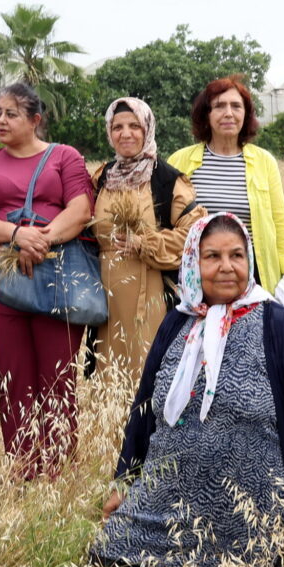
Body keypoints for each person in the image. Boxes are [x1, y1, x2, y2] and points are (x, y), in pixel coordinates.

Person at [91, 215, 284, 567]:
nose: (227, 267)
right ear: (192, 263)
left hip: (255, 506)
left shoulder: (281, 327)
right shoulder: (177, 323)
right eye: (212, 257)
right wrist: (123, 481)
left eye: (236, 255)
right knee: (108, 560)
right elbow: (145, 409)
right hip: (169, 496)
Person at [0, 81, 97, 481]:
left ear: (35, 120)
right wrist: (16, 236)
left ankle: (57, 473)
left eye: (11, 113)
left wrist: (39, 239)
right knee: (14, 378)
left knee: (57, 377)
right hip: (5, 284)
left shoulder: (65, 157)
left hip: (59, 276)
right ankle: (23, 468)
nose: (0, 120)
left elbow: (80, 209)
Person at [167, 76, 284, 299]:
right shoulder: (180, 161)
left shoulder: (264, 162)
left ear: (245, 115)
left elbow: (280, 221)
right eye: (219, 106)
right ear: (206, 115)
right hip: (196, 277)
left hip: (250, 274)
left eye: (236, 106)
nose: (228, 113)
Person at [90, 97, 196, 375]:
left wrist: (144, 243)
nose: (125, 134)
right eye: (117, 127)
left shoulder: (167, 179)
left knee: (147, 370)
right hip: (105, 295)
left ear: (147, 129)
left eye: (134, 126)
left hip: (150, 292)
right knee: (106, 371)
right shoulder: (102, 178)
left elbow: (194, 235)